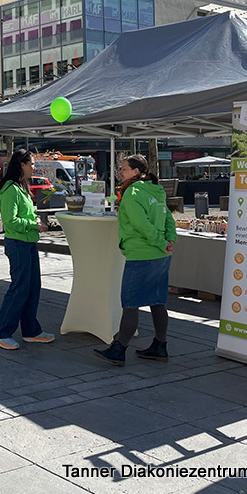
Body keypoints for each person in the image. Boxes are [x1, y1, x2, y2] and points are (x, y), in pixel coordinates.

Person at [94, 154, 177, 366]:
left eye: (124, 168)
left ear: (136, 171)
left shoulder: (132, 192)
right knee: (157, 302)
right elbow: (168, 218)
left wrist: (161, 242)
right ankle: (160, 346)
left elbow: (142, 225)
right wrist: (169, 240)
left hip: (141, 255)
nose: (120, 172)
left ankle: (119, 349)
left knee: (130, 303)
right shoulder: (156, 190)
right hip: (160, 256)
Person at [0, 150, 55, 349]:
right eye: (31, 163)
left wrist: (34, 220)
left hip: (28, 242)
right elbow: (10, 221)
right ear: (22, 165)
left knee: (32, 287)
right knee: (19, 288)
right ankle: (2, 333)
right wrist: (33, 224)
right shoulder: (10, 189)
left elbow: (25, 214)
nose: (34, 167)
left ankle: (31, 330)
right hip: (18, 243)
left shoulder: (21, 187)